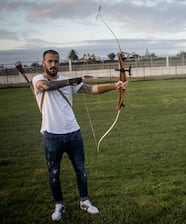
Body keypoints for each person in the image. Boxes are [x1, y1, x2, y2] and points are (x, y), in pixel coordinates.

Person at [32, 49, 127, 221]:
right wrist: (73, 81)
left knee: (81, 170)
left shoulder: (65, 80)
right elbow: (46, 87)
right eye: (50, 61)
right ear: (43, 63)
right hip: (51, 135)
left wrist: (115, 86)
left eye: (56, 61)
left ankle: (84, 201)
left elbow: (92, 89)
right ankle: (59, 205)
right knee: (54, 172)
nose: (53, 65)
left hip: (73, 132)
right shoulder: (38, 79)